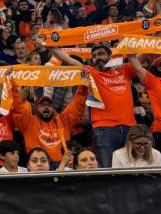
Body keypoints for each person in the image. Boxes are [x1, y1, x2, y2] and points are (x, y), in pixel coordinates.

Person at [39, 38, 138, 168]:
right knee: (106, 169)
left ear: (110, 56)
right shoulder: (91, 72)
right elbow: (69, 60)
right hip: (104, 129)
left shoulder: (124, 70)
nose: (98, 58)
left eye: (101, 54)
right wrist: (51, 46)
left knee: (133, 168)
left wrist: (156, 30)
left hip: (130, 128)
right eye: (95, 56)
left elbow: (141, 58)